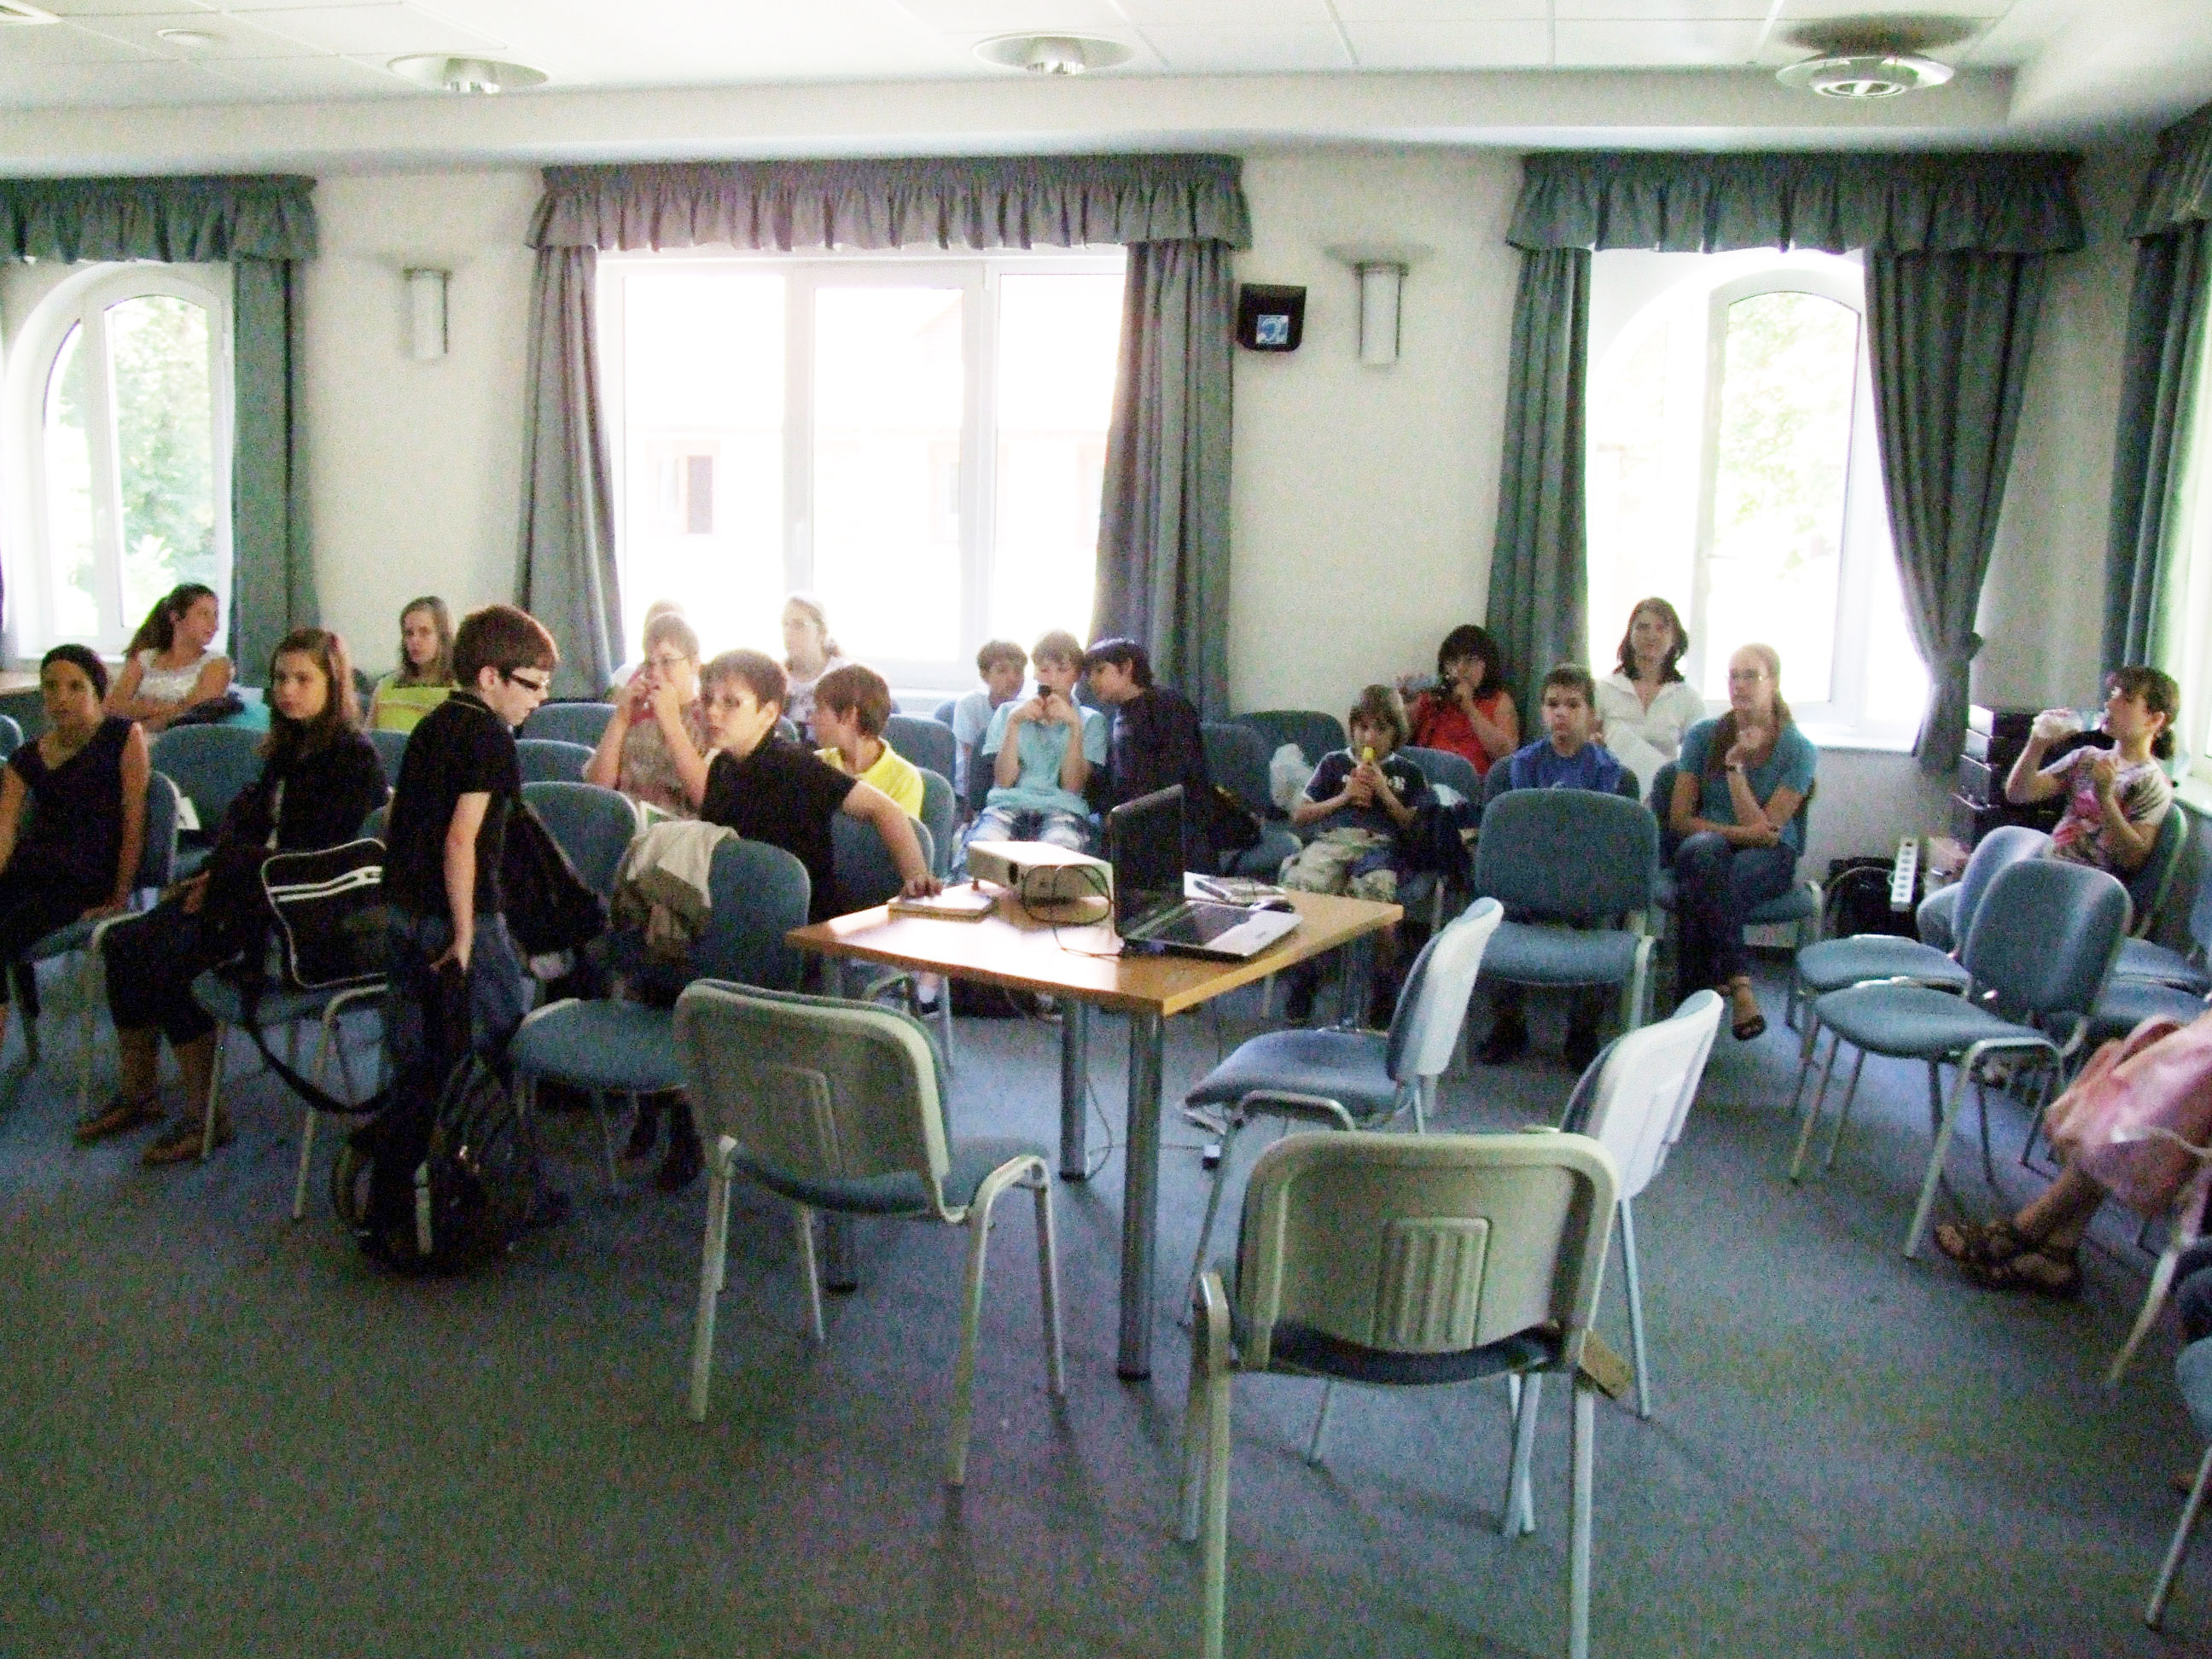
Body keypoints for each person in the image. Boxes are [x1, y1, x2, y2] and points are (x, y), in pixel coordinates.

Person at [87, 629, 387, 1165]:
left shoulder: (353, 758)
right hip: (252, 892)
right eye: (280, 678)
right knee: (127, 943)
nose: (287, 690)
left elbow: (318, 858)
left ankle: (205, 1117)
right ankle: (140, 1093)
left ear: (333, 684)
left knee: (173, 953)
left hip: (304, 914)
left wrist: (226, 880)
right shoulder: (288, 747)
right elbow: (247, 830)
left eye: (303, 679)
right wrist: (212, 875)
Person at [377, 605, 556, 1227]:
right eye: (532, 684)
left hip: (403, 909)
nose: (541, 698)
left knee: (416, 1054)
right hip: (460, 916)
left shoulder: (433, 723)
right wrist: (463, 932)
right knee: (498, 1047)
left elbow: (399, 818)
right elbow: (461, 841)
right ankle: (502, 1187)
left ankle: (417, 1185)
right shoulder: (490, 738)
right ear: (489, 678)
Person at [696, 649, 939, 924]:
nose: (712, 711)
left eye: (730, 702)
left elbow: (884, 808)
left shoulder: (796, 766)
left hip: (800, 921)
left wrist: (917, 877)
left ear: (769, 713)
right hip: (739, 905)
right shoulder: (722, 766)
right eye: (707, 699)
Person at [0, 646, 149, 1061]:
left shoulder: (123, 736)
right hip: (34, 868)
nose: (60, 698)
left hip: (85, 875)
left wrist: (121, 894)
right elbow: (5, 830)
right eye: (51, 687)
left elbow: (134, 820)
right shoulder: (26, 757)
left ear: (96, 691)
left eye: (74, 687)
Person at [1480, 665, 1628, 1071]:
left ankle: (1582, 1031)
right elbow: (1522, 829)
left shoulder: (1606, 769)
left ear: (1591, 714)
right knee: (1498, 915)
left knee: (1600, 923)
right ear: (1542, 712)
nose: (1561, 713)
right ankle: (1509, 1025)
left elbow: (1601, 834)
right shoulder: (1524, 763)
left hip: (1584, 877)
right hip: (1532, 874)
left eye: (1573, 705)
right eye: (1552, 704)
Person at [1668, 643, 1817, 1044]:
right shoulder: (1703, 736)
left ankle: (1690, 1011)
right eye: (1733, 676)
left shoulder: (1799, 750)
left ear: (1775, 683)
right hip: (1706, 846)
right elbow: (1680, 820)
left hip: (1769, 856)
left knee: (1706, 887)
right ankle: (1740, 984)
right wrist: (1740, 834)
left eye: (1751, 675)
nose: (1739, 685)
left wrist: (1734, 768)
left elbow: (1767, 835)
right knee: (1706, 856)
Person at [1278, 684, 1430, 1024]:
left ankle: (1384, 987)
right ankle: (1305, 976)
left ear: (1396, 733)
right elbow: (1300, 815)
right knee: (1304, 889)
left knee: (1376, 905)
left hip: (1380, 847)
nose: (1369, 737)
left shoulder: (1408, 773)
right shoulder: (1334, 763)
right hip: (1332, 841)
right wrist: (1344, 797)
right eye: (1362, 727)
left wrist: (1385, 793)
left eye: (1380, 729)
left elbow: (1418, 827)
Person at [2003, 667, 2177, 875]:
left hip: (2088, 883)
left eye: (2127, 700)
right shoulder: (2087, 758)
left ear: (2154, 720)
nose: (2109, 704)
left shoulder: (2152, 782)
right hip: (2050, 864)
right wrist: (2037, 744)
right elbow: (2018, 794)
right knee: (1999, 852)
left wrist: (2105, 797)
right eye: (2113, 695)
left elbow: (2132, 859)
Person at [966, 630, 1106, 853]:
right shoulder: (1008, 712)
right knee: (983, 854)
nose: (1052, 679)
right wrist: (1014, 724)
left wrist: (1074, 726)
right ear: (1035, 673)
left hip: (1063, 809)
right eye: (1044, 670)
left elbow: (1072, 786)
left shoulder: (1091, 721)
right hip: (1007, 805)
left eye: (1062, 670)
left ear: (1076, 675)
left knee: (1054, 860)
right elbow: (1004, 780)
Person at [1083, 636, 1214, 871]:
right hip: (1131, 819)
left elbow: (1179, 772)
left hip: (1171, 820)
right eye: (1089, 674)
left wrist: (1130, 812)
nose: (1092, 681)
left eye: (1100, 671)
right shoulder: (1117, 717)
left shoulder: (1169, 705)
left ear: (1126, 667)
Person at [584, 609, 711, 818]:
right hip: (623, 823)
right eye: (649, 664)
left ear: (694, 664)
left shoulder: (710, 719)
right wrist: (621, 718)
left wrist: (671, 722)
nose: (656, 673)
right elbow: (596, 792)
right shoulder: (634, 715)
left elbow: (707, 799)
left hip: (678, 829)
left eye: (667, 661)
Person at [1594, 597, 1707, 801]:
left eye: (1661, 628)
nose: (1651, 635)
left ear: (1675, 638)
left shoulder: (1688, 697)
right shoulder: (1603, 689)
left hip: (1663, 798)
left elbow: (1699, 757)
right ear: (1629, 635)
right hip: (1610, 793)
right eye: (1643, 627)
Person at [106, 583, 232, 733]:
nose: (214, 625)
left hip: (179, 740)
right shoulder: (145, 658)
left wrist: (139, 716)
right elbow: (112, 707)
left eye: (215, 615)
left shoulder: (216, 664)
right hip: (133, 737)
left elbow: (192, 716)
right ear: (176, 617)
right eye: (204, 614)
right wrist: (164, 708)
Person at [1402, 623, 1519, 777]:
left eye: (1470, 660)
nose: (1460, 669)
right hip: (1429, 779)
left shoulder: (1499, 700)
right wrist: (1407, 703)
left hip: (1474, 783)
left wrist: (1470, 708)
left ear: (1487, 664)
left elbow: (1507, 756)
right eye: (1453, 661)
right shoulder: (1432, 698)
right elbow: (1397, 740)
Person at [813, 663, 925, 818]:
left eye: (820, 710)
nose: (811, 719)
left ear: (848, 715)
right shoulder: (816, 763)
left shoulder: (905, 779)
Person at [368, 596, 456, 734]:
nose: (415, 640)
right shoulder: (385, 687)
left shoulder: (459, 692)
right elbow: (369, 740)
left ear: (443, 637)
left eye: (424, 632)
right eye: (409, 633)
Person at [952, 639, 1027, 799]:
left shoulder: (1027, 709)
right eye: (1002, 671)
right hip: (971, 791)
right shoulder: (970, 704)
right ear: (984, 675)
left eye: (1018, 671)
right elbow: (970, 760)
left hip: (1012, 791)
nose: (1012, 678)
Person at [779, 593, 849, 742]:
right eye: (785, 624)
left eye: (799, 625)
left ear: (821, 632)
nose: (788, 632)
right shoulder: (776, 676)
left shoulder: (845, 675)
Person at [606, 598, 689, 696]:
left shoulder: (697, 688)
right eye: (651, 630)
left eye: (667, 661)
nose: (658, 638)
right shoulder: (625, 675)